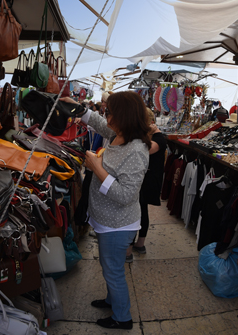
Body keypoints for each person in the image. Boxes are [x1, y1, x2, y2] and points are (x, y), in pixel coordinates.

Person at [70, 91, 151, 330]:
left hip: (118, 224)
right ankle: (112, 300)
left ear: (123, 116)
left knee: (113, 270)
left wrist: (96, 167)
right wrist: (77, 107)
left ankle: (122, 317)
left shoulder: (136, 150)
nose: (106, 116)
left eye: (110, 112)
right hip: (107, 219)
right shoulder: (118, 135)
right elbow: (97, 123)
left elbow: (126, 195)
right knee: (109, 266)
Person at [125, 108, 166, 262]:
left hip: (147, 181)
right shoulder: (148, 136)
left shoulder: (159, 138)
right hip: (145, 179)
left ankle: (128, 251)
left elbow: (144, 151)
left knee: (136, 212)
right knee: (141, 210)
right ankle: (139, 244)